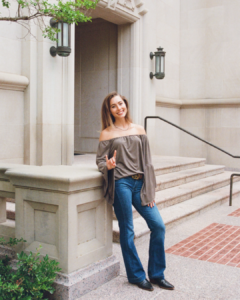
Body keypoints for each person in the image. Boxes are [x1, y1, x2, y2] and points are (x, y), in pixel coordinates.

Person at [96, 91, 174, 292]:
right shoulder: (107, 133)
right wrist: (109, 165)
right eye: (113, 106)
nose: (118, 108)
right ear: (109, 110)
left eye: (120, 103)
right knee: (127, 229)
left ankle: (157, 274)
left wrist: (150, 191)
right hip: (121, 183)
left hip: (140, 184)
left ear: (126, 105)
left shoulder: (139, 129)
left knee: (158, 226)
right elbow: (100, 161)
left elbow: (147, 162)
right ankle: (136, 275)